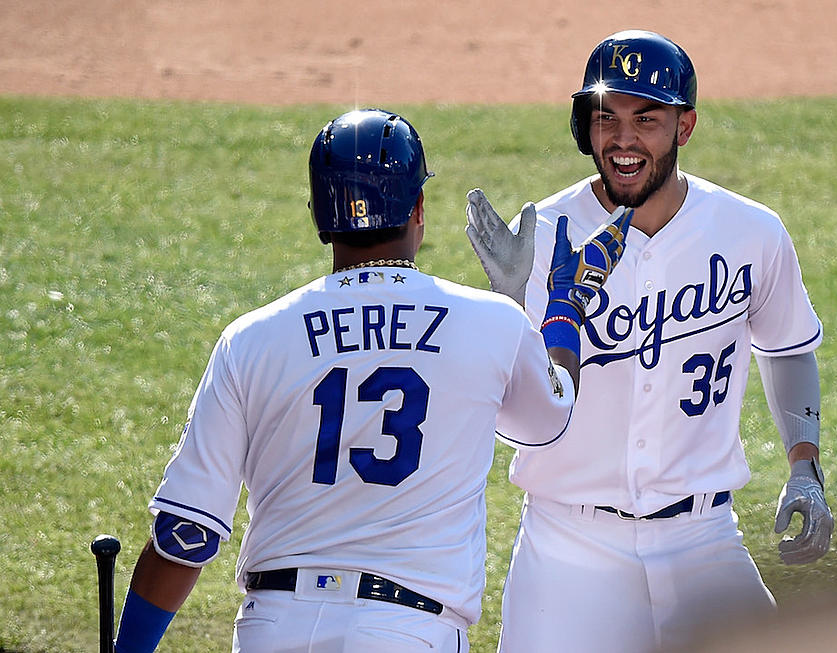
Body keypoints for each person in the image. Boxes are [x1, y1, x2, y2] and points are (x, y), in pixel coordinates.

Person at [111, 108, 633, 653]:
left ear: (318, 215)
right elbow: (548, 418)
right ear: (418, 208)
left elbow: (184, 537)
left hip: (274, 627)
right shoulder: (491, 322)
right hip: (407, 631)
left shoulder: (251, 339)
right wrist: (564, 308)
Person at [464, 30, 834, 653]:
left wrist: (806, 467)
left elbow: (788, 344)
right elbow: (515, 418)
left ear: (684, 127)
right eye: (605, 117)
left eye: (647, 118)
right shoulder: (540, 239)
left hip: (705, 542)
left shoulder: (749, 232)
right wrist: (508, 307)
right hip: (568, 550)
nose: (623, 139)